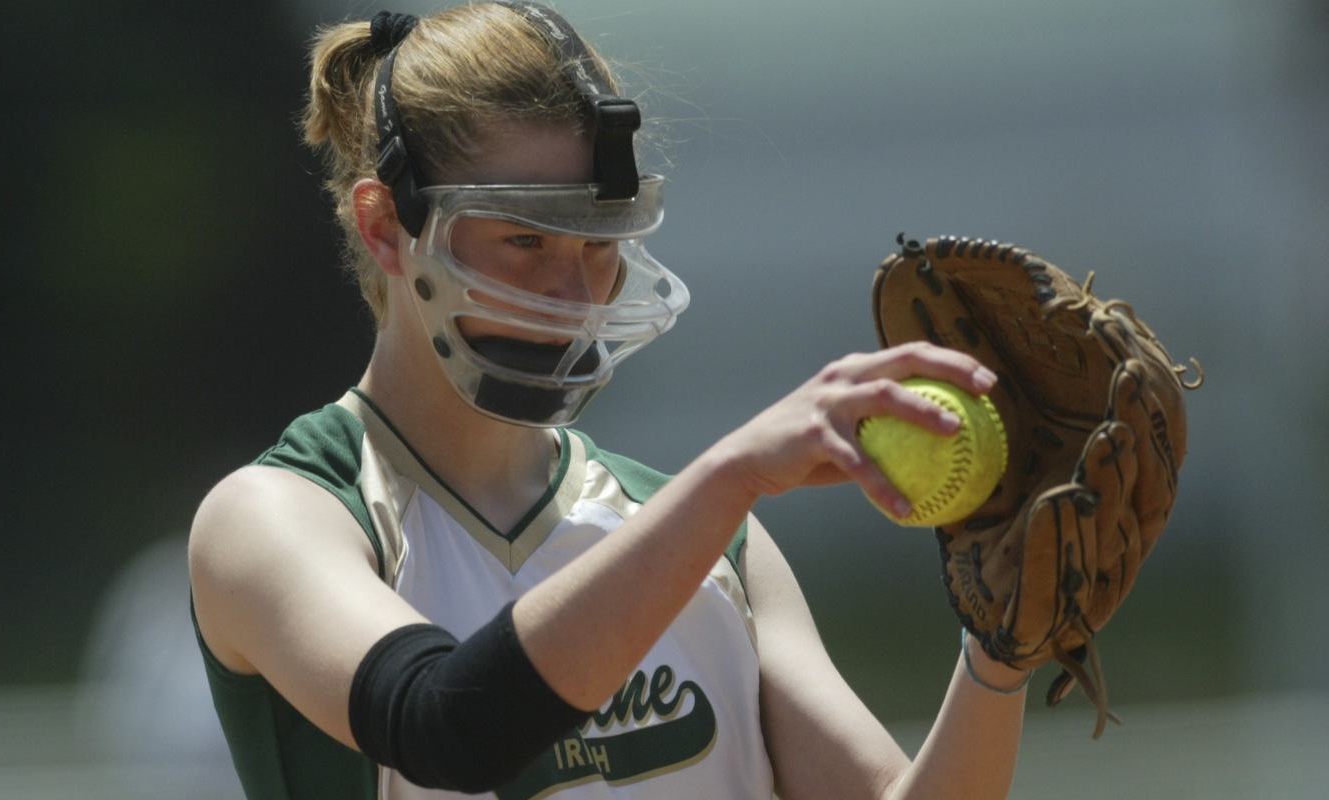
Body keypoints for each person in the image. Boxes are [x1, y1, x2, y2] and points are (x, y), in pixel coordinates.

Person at [188, 4, 1029, 799]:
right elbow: (448, 726)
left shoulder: (709, 538)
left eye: (599, 240)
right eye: (525, 238)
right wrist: (729, 478)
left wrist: (1001, 652)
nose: (574, 292)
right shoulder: (275, 517)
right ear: (384, 227)